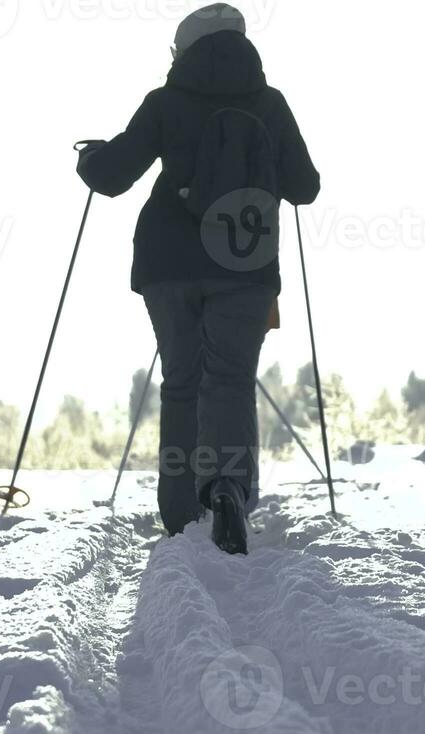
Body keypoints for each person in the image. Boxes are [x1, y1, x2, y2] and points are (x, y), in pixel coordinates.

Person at [76, 3, 320, 555]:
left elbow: (113, 176)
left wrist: (89, 160)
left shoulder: (166, 103)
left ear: (183, 52)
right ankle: (228, 490)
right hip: (246, 267)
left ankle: (182, 513)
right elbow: (305, 187)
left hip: (170, 266)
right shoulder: (271, 104)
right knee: (229, 381)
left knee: (183, 382)